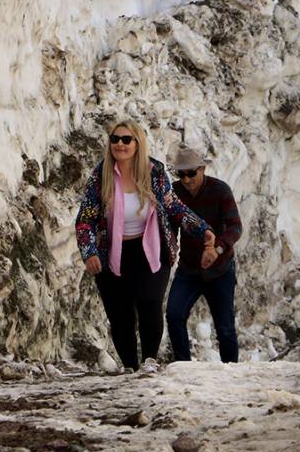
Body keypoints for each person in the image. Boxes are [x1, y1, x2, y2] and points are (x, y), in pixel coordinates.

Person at [75, 120, 214, 371]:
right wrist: (89, 252)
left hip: (150, 248)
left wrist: (201, 228)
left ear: (138, 143)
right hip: (112, 252)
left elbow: (172, 206)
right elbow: (85, 219)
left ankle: (150, 361)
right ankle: (130, 366)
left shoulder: (155, 172)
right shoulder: (101, 174)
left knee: (150, 302)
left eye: (126, 139)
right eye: (115, 139)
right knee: (120, 315)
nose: (120, 144)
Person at [165, 147, 243, 363]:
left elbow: (235, 227)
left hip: (220, 269)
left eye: (192, 173)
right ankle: (183, 365)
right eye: (182, 174)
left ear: (203, 169)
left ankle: (231, 372)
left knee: (225, 327)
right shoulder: (174, 193)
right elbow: (168, 227)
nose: (187, 179)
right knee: (174, 315)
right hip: (189, 269)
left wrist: (217, 249)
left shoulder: (220, 191)